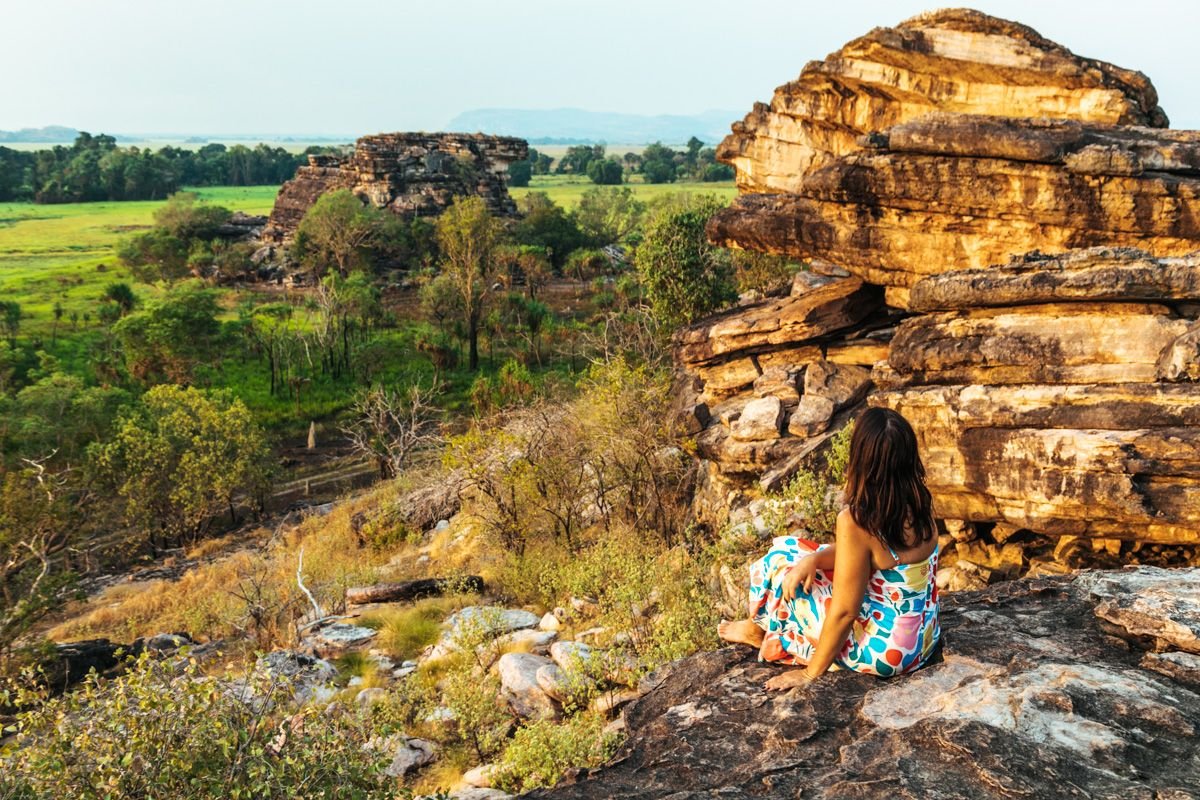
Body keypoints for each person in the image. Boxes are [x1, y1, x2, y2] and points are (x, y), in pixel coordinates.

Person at [718, 406, 941, 690]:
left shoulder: (856, 521)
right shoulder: (919, 501)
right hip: (922, 642)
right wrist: (813, 559)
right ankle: (762, 625)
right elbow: (865, 557)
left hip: (884, 654)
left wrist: (811, 674)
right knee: (803, 554)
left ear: (860, 459)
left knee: (780, 563)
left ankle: (756, 628)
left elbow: (845, 612)